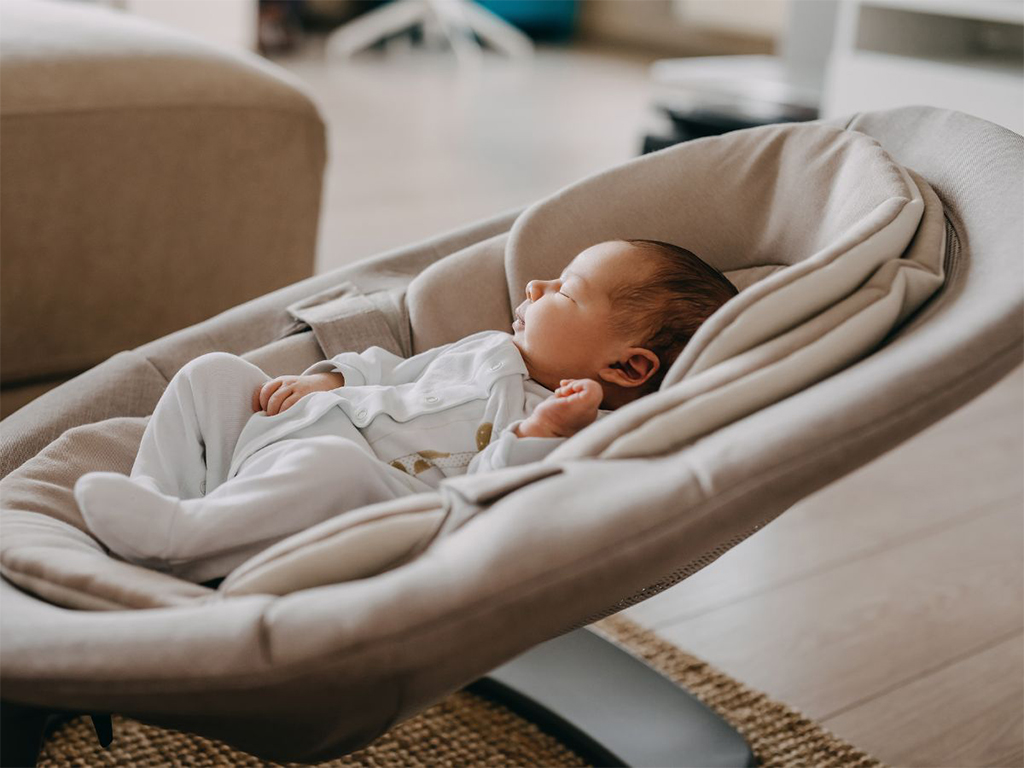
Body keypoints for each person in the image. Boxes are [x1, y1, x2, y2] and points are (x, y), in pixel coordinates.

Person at [73, 239, 738, 584]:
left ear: (627, 368)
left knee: (331, 467)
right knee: (212, 373)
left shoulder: (571, 430)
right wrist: (329, 378)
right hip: (285, 436)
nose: (536, 285)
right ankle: (157, 497)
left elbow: (492, 503)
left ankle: (184, 543)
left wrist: (541, 433)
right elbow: (391, 371)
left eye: (565, 291)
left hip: (367, 496)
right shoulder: (487, 348)